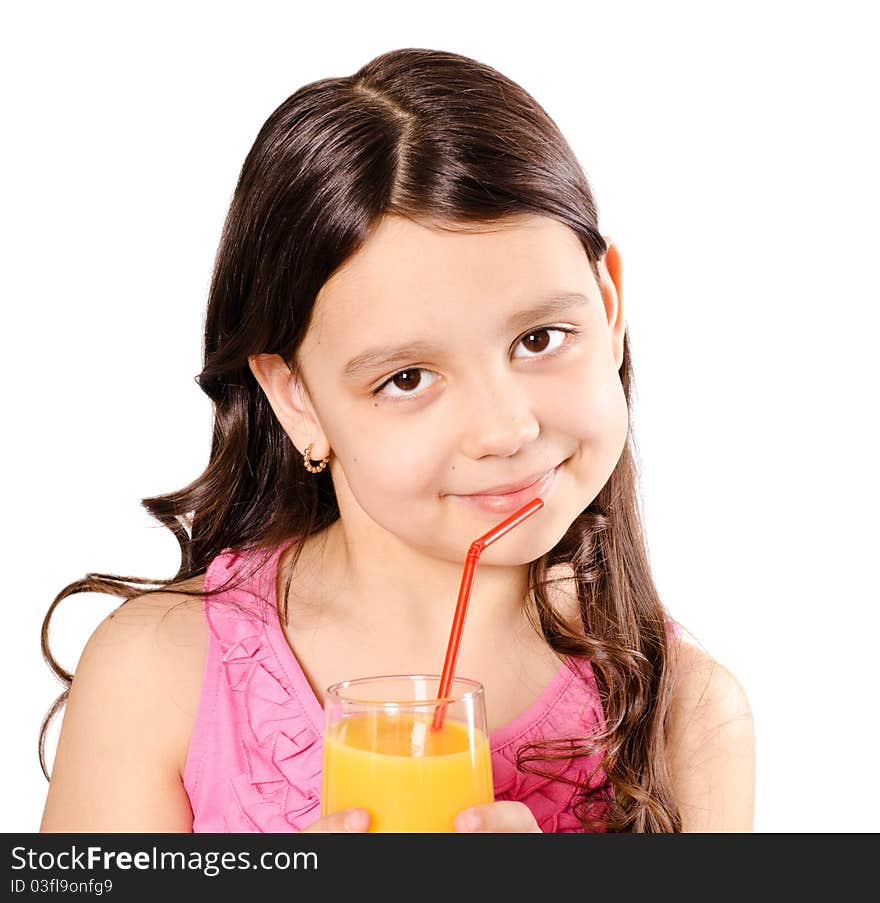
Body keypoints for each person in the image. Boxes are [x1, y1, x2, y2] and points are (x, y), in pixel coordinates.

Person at [38, 47, 755, 833]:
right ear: (296, 397)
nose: (505, 428)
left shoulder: (689, 719)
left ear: (609, 307)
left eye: (542, 338)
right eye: (407, 379)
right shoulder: (155, 678)